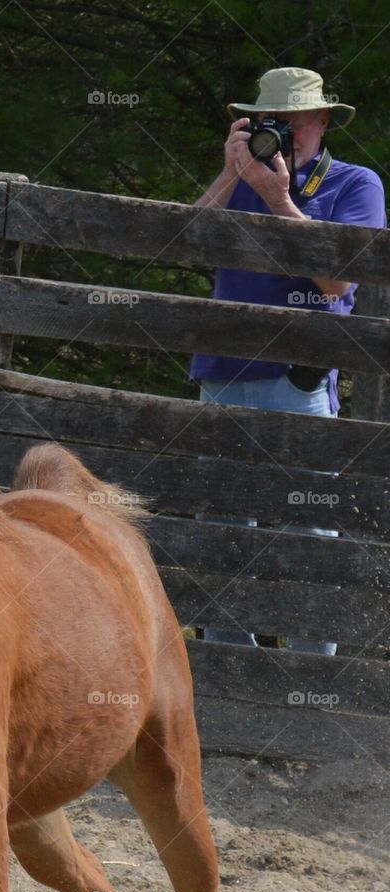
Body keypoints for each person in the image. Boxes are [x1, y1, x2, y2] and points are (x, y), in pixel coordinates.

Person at [189, 67, 386, 651]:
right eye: (271, 120)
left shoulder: (356, 184)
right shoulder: (240, 177)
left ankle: (310, 677)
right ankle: (230, 675)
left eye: (294, 120)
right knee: (222, 529)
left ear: (323, 121)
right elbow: (183, 244)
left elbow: (339, 282)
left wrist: (281, 201)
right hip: (223, 372)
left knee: (311, 528)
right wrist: (230, 174)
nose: (283, 131)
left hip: (299, 379)